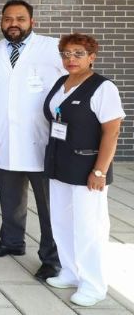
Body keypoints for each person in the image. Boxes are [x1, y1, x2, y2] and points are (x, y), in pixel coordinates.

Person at [0, 0, 64, 281]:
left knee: (49, 205)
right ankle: (12, 242)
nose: (13, 24)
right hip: (4, 137)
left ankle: (52, 258)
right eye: (8, 18)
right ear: (0, 21)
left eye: (20, 19)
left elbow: (68, 88)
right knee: (11, 198)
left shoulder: (52, 48)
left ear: (32, 22)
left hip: (43, 139)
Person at [42, 34, 124, 307]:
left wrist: (99, 172)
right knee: (62, 223)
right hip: (59, 163)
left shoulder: (103, 87)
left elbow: (112, 132)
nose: (70, 59)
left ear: (92, 56)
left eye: (78, 54)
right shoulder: (61, 82)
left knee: (90, 227)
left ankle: (94, 284)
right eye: (66, 54)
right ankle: (70, 271)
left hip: (87, 167)